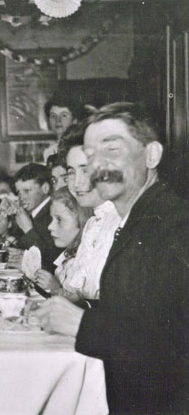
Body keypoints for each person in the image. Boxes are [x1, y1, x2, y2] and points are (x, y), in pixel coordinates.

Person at [35, 102, 189, 413]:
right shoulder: (134, 219)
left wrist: (83, 325)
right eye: (91, 155)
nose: (98, 166)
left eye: (112, 150)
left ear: (151, 155)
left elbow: (176, 341)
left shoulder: (174, 224)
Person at [54, 123, 121, 301]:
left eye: (86, 170)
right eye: (71, 172)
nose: (76, 183)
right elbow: (79, 294)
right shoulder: (92, 223)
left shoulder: (123, 222)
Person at [31, 187, 93, 303]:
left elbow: (84, 305)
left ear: (82, 222)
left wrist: (56, 289)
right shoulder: (67, 255)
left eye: (59, 219)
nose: (50, 226)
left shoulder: (88, 263)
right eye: (52, 219)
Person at [14, 163, 62, 272]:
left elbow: (51, 260)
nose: (21, 197)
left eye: (27, 191)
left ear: (45, 188)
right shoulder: (35, 212)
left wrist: (28, 229)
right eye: (18, 192)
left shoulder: (53, 213)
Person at [42, 95, 83, 162]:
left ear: (74, 120)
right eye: (53, 116)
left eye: (64, 115)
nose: (58, 120)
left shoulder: (79, 148)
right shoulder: (49, 152)